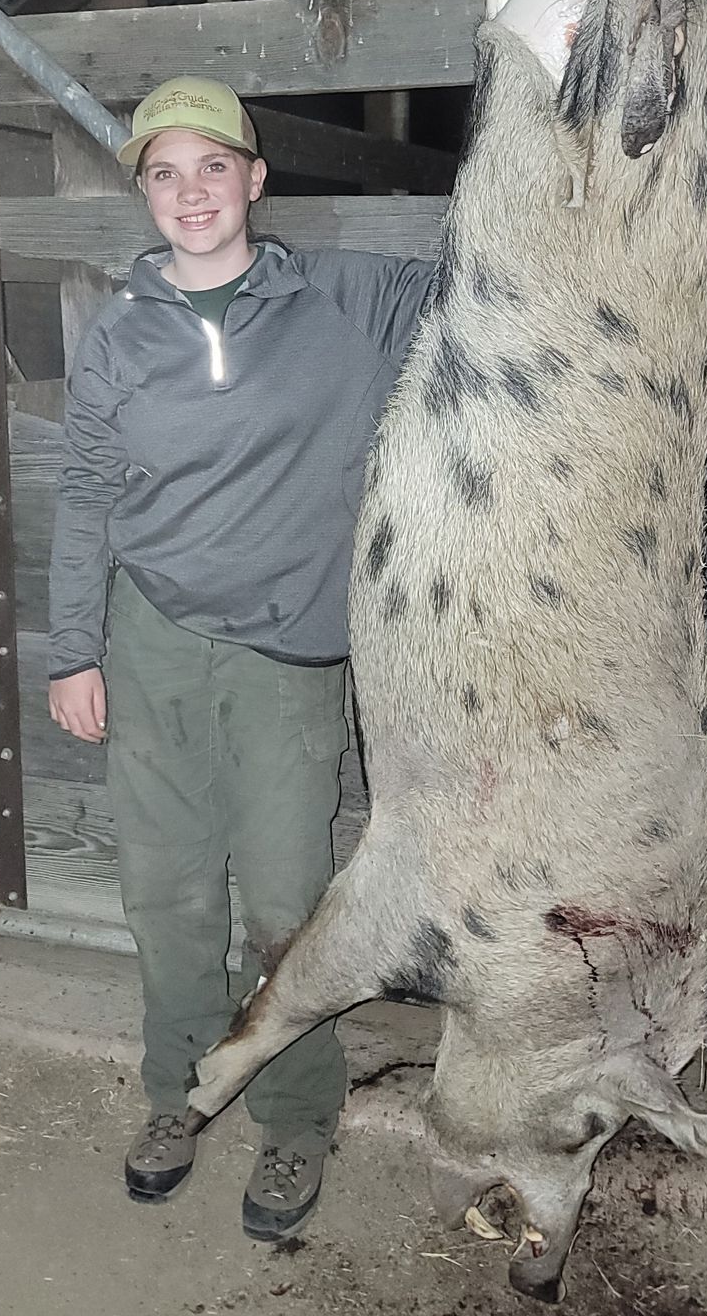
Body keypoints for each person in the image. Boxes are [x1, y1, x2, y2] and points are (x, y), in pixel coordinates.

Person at [48, 76, 433, 1240]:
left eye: (212, 166)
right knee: (163, 891)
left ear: (256, 180)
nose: (190, 192)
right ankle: (178, 1096)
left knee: (281, 897)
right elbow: (85, 495)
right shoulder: (118, 334)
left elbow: (500, 283)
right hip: (151, 634)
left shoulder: (349, 297)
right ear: (146, 193)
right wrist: (73, 649)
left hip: (288, 655)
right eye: (163, 172)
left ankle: (295, 1119)